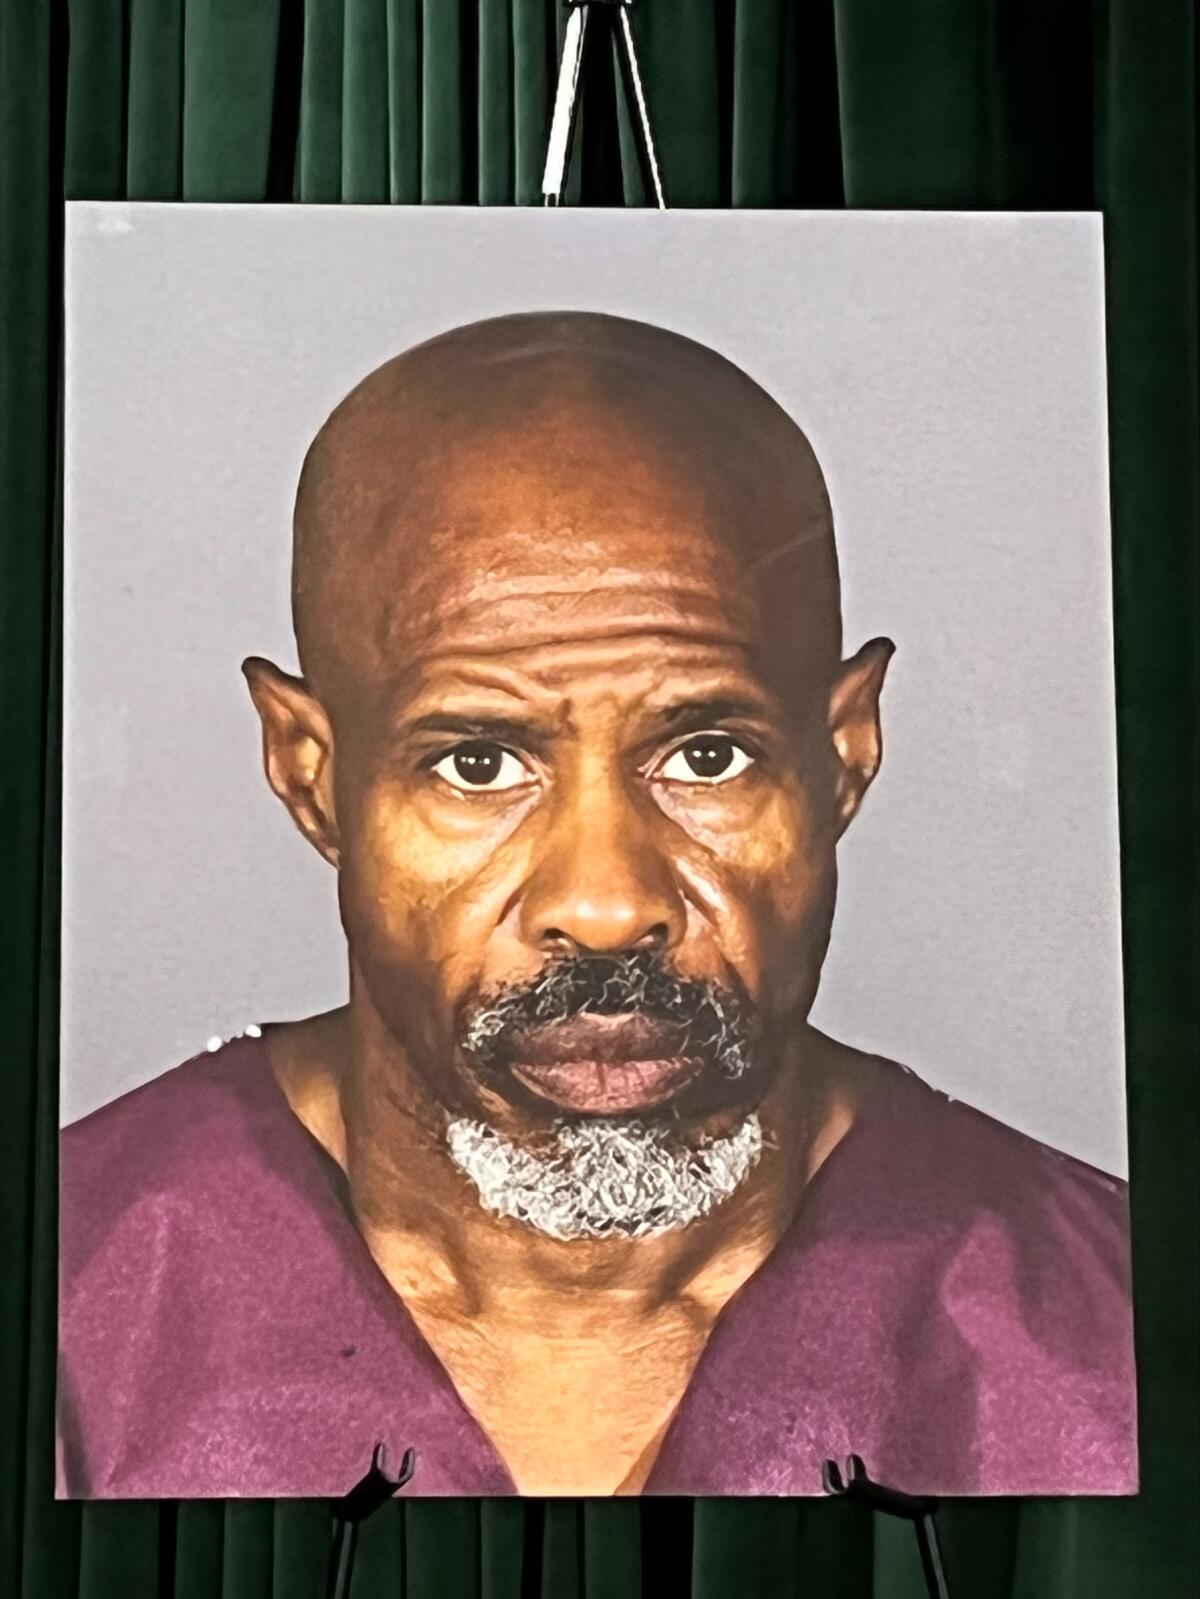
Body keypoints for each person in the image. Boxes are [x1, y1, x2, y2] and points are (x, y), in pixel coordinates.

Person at [58, 312, 1135, 1499]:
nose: (609, 904)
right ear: (314, 776)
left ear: (844, 754)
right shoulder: (66, 1312)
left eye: (709, 755)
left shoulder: (1112, 1339)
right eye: (478, 763)